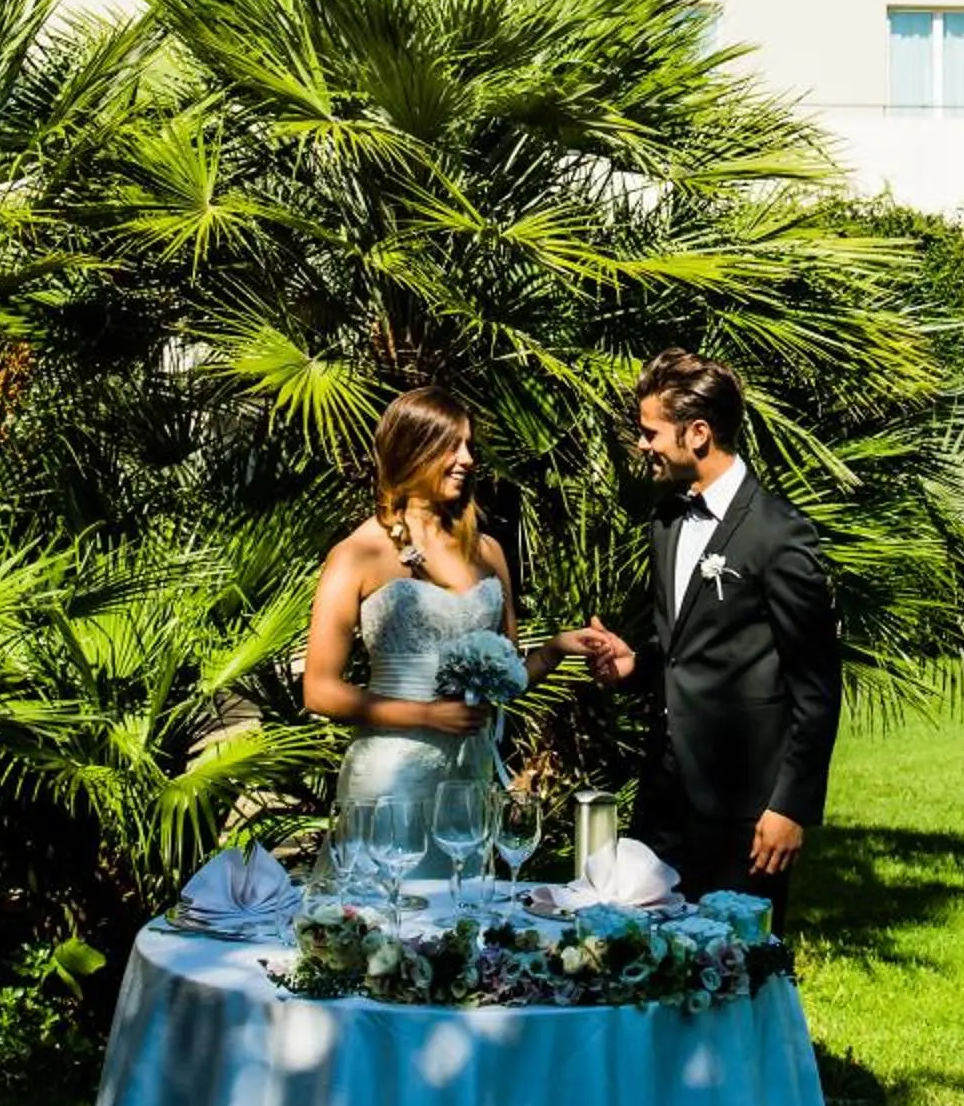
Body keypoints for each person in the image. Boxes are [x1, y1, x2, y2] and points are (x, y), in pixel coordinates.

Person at [578, 349, 840, 922]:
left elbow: (817, 685)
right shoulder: (666, 521)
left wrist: (790, 808)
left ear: (697, 433)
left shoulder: (778, 535)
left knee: (736, 972)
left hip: (746, 812)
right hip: (663, 802)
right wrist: (635, 665)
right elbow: (685, 649)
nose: (642, 446)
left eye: (651, 433)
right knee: (643, 958)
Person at [303, 388, 588, 879]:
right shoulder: (357, 554)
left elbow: (509, 673)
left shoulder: (489, 552)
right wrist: (427, 715)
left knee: (459, 929)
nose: (467, 460)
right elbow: (319, 688)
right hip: (391, 782)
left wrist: (561, 648)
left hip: (467, 781)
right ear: (410, 451)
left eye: (468, 446)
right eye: (451, 447)